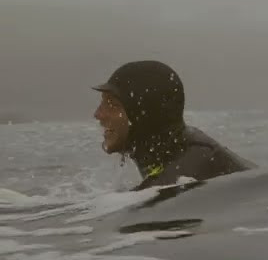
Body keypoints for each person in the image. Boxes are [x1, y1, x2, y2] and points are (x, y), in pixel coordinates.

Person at [92, 60, 254, 189]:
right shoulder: (177, 148)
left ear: (144, 114)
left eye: (112, 105)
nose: (98, 114)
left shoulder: (187, 168)